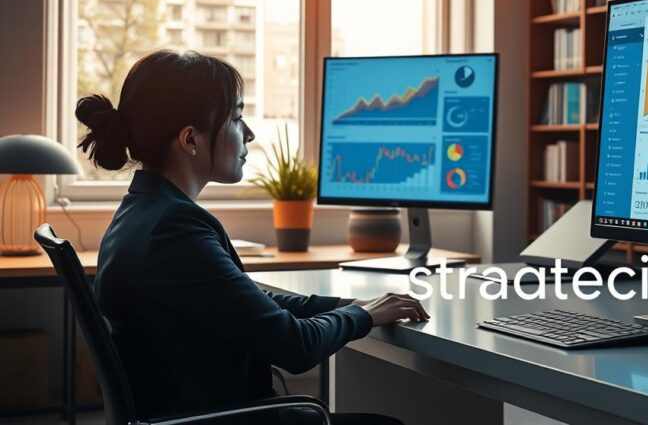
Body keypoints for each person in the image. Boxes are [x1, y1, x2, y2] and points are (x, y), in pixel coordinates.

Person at [77, 50, 424, 425]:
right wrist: (364, 315)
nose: (250, 133)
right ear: (191, 140)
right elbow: (295, 346)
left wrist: (349, 302)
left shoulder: (143, 211)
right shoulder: (174, 229)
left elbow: (247, 300)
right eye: (238, 118)